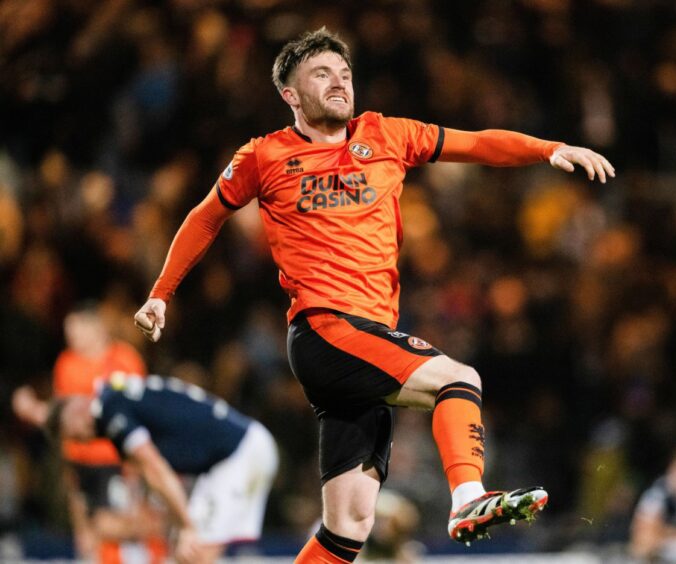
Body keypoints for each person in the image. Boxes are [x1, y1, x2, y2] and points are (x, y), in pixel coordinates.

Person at [133, 27, 615, 561]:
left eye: (344, 74)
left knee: (349, 526)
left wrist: (549, 148)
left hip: (367, 336)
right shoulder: (264, 156)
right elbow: (206, 218)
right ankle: (468, 498)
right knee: (459, 378)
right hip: (326, 328)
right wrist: (161, 293)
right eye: (322, 74)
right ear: (290, 94)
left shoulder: (386, 134)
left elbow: (476, 143)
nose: (339, 83)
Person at [45, 372, 279, 564]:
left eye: (73, 434)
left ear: (76, 412)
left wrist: (187, 526)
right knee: (186, 556)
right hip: (234, 455)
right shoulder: (115, 396)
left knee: (195, 554)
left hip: (238, 454)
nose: (81, 441)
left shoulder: (110, 409)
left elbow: (154, 467)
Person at [13, 301, 166, 564]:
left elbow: (139, 413)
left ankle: (161, 536)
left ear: (96, 328)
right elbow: (66, 417)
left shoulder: (125, 359)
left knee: (113, 524)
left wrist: (135, 464)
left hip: (115, 460)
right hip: (79, 460)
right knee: (87, 535)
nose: (72, 337)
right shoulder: (66, 363)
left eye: (76, 330)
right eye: (68, 331)